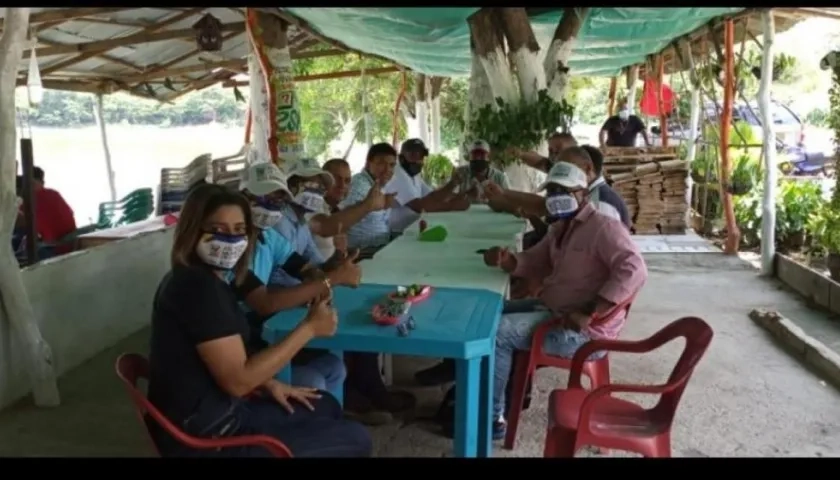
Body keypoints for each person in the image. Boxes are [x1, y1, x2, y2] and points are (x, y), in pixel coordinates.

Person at [146, 183, 371, 457]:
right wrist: (310, 328)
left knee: (325, 405)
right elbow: (239, 381)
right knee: (357, 438)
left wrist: (270, 383)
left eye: (239, 231)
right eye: (218, 231)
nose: (230, 242)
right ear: (192, 232)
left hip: (223, 410)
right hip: (213, 438)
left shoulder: (205, 279)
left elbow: (223, 361)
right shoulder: (198, 289)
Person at [482, 160, 647, 439]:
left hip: (581, 332)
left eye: (564, 190)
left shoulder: (603, 227)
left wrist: (592, 310)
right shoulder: (560, 228)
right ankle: (494, 396)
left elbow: (635, 269)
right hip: (554, 308)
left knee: (499, 333)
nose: (556, 197)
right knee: (488, 312)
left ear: (582, 193)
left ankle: (491, 418)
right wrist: (508, 261)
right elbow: (535, 261)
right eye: (552, 191)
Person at [232, 162, 361, 396]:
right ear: (242, 198)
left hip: (266, 328)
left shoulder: (268, 235)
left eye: (278, 202)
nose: (270, 208)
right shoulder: (234, 246)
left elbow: (304, 267)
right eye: (263, 199)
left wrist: (328, 273)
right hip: (243, 341)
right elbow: (264, 303)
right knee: (313, 380)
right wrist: (329, 280)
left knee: (334, 367)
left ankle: (330, 423)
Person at [310, 157, 391, 261]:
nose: (342, 185)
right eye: (336, 179)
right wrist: (368, 205)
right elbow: (324, 226)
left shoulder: (335, 209)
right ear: (323, 181)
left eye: (347, 181)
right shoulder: (312, 203)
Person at [386, 138, 470, 234]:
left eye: (421, 156)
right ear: (401, 158)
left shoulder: (414, 175)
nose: (418, 161)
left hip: (413, 227)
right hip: (398, 233)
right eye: (413, 155)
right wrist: (453, 205)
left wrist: (455, 186)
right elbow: (420, 206)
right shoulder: (397, 175)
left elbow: (434, 196)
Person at [341, 143, 400, 259]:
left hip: (380, 245)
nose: (387, 169)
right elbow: (345, 217)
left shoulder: (378, 184)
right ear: (368, 163)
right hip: (363, 252)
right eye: (381, 163)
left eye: (392, 165)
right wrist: (371, 204)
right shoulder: (358, 184)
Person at [26, 167, 77, 254]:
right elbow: (71, 212)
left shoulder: (30, 200)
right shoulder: (54, 193)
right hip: (72, 243)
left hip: (54, 247)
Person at [450, 140, 510, 205]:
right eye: (475, 155)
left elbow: (510, 201)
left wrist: (494, 197)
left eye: (482, 154)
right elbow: (448, 199)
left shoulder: (500, 177)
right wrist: (467, 195)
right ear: (469, 157)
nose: (478, 158)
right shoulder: (460, 173)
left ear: (488, 157)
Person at [511, 132, 578, 173]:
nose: (554, 153)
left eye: (558, 148)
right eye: (550, 151)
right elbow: (540, 162)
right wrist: (520, 153)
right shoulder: (557, 168)